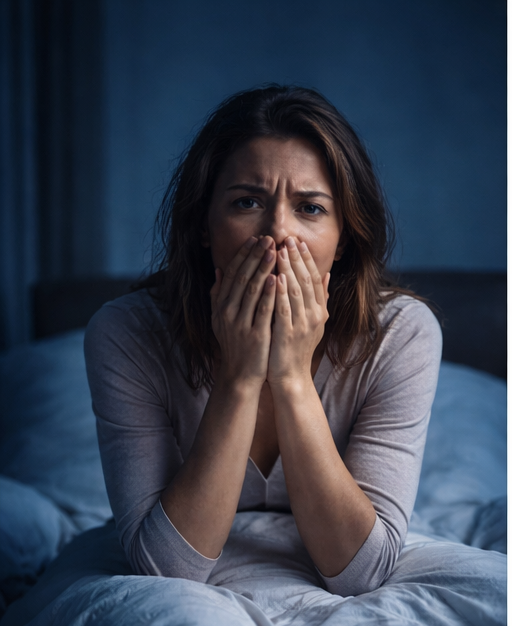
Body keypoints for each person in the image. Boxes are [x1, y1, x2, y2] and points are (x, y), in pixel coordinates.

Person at [84, 84, 442, 597]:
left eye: (311, 208)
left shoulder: (401, 334)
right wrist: (239, 375)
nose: (277, 232)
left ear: (343, 239)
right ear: (205, 225)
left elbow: (361, 572)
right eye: (247, 201)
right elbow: (165, 572)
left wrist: (293, 377)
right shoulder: (126, 334)